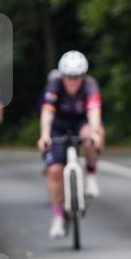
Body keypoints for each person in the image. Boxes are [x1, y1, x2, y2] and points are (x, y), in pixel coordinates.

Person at [37, 50, 105, 239]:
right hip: (58, 126)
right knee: (54, 171)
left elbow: (94, 110)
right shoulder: (54, 84)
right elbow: (47, 112)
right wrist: (44, 135)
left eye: (77, 77)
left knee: (93, 135)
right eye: (69, 77)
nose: (73, 81)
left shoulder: (90, 84)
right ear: (62, 75)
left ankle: (90, 175)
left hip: (81, 123)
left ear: (83, 76)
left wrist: (94, 131)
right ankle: (58, 217)